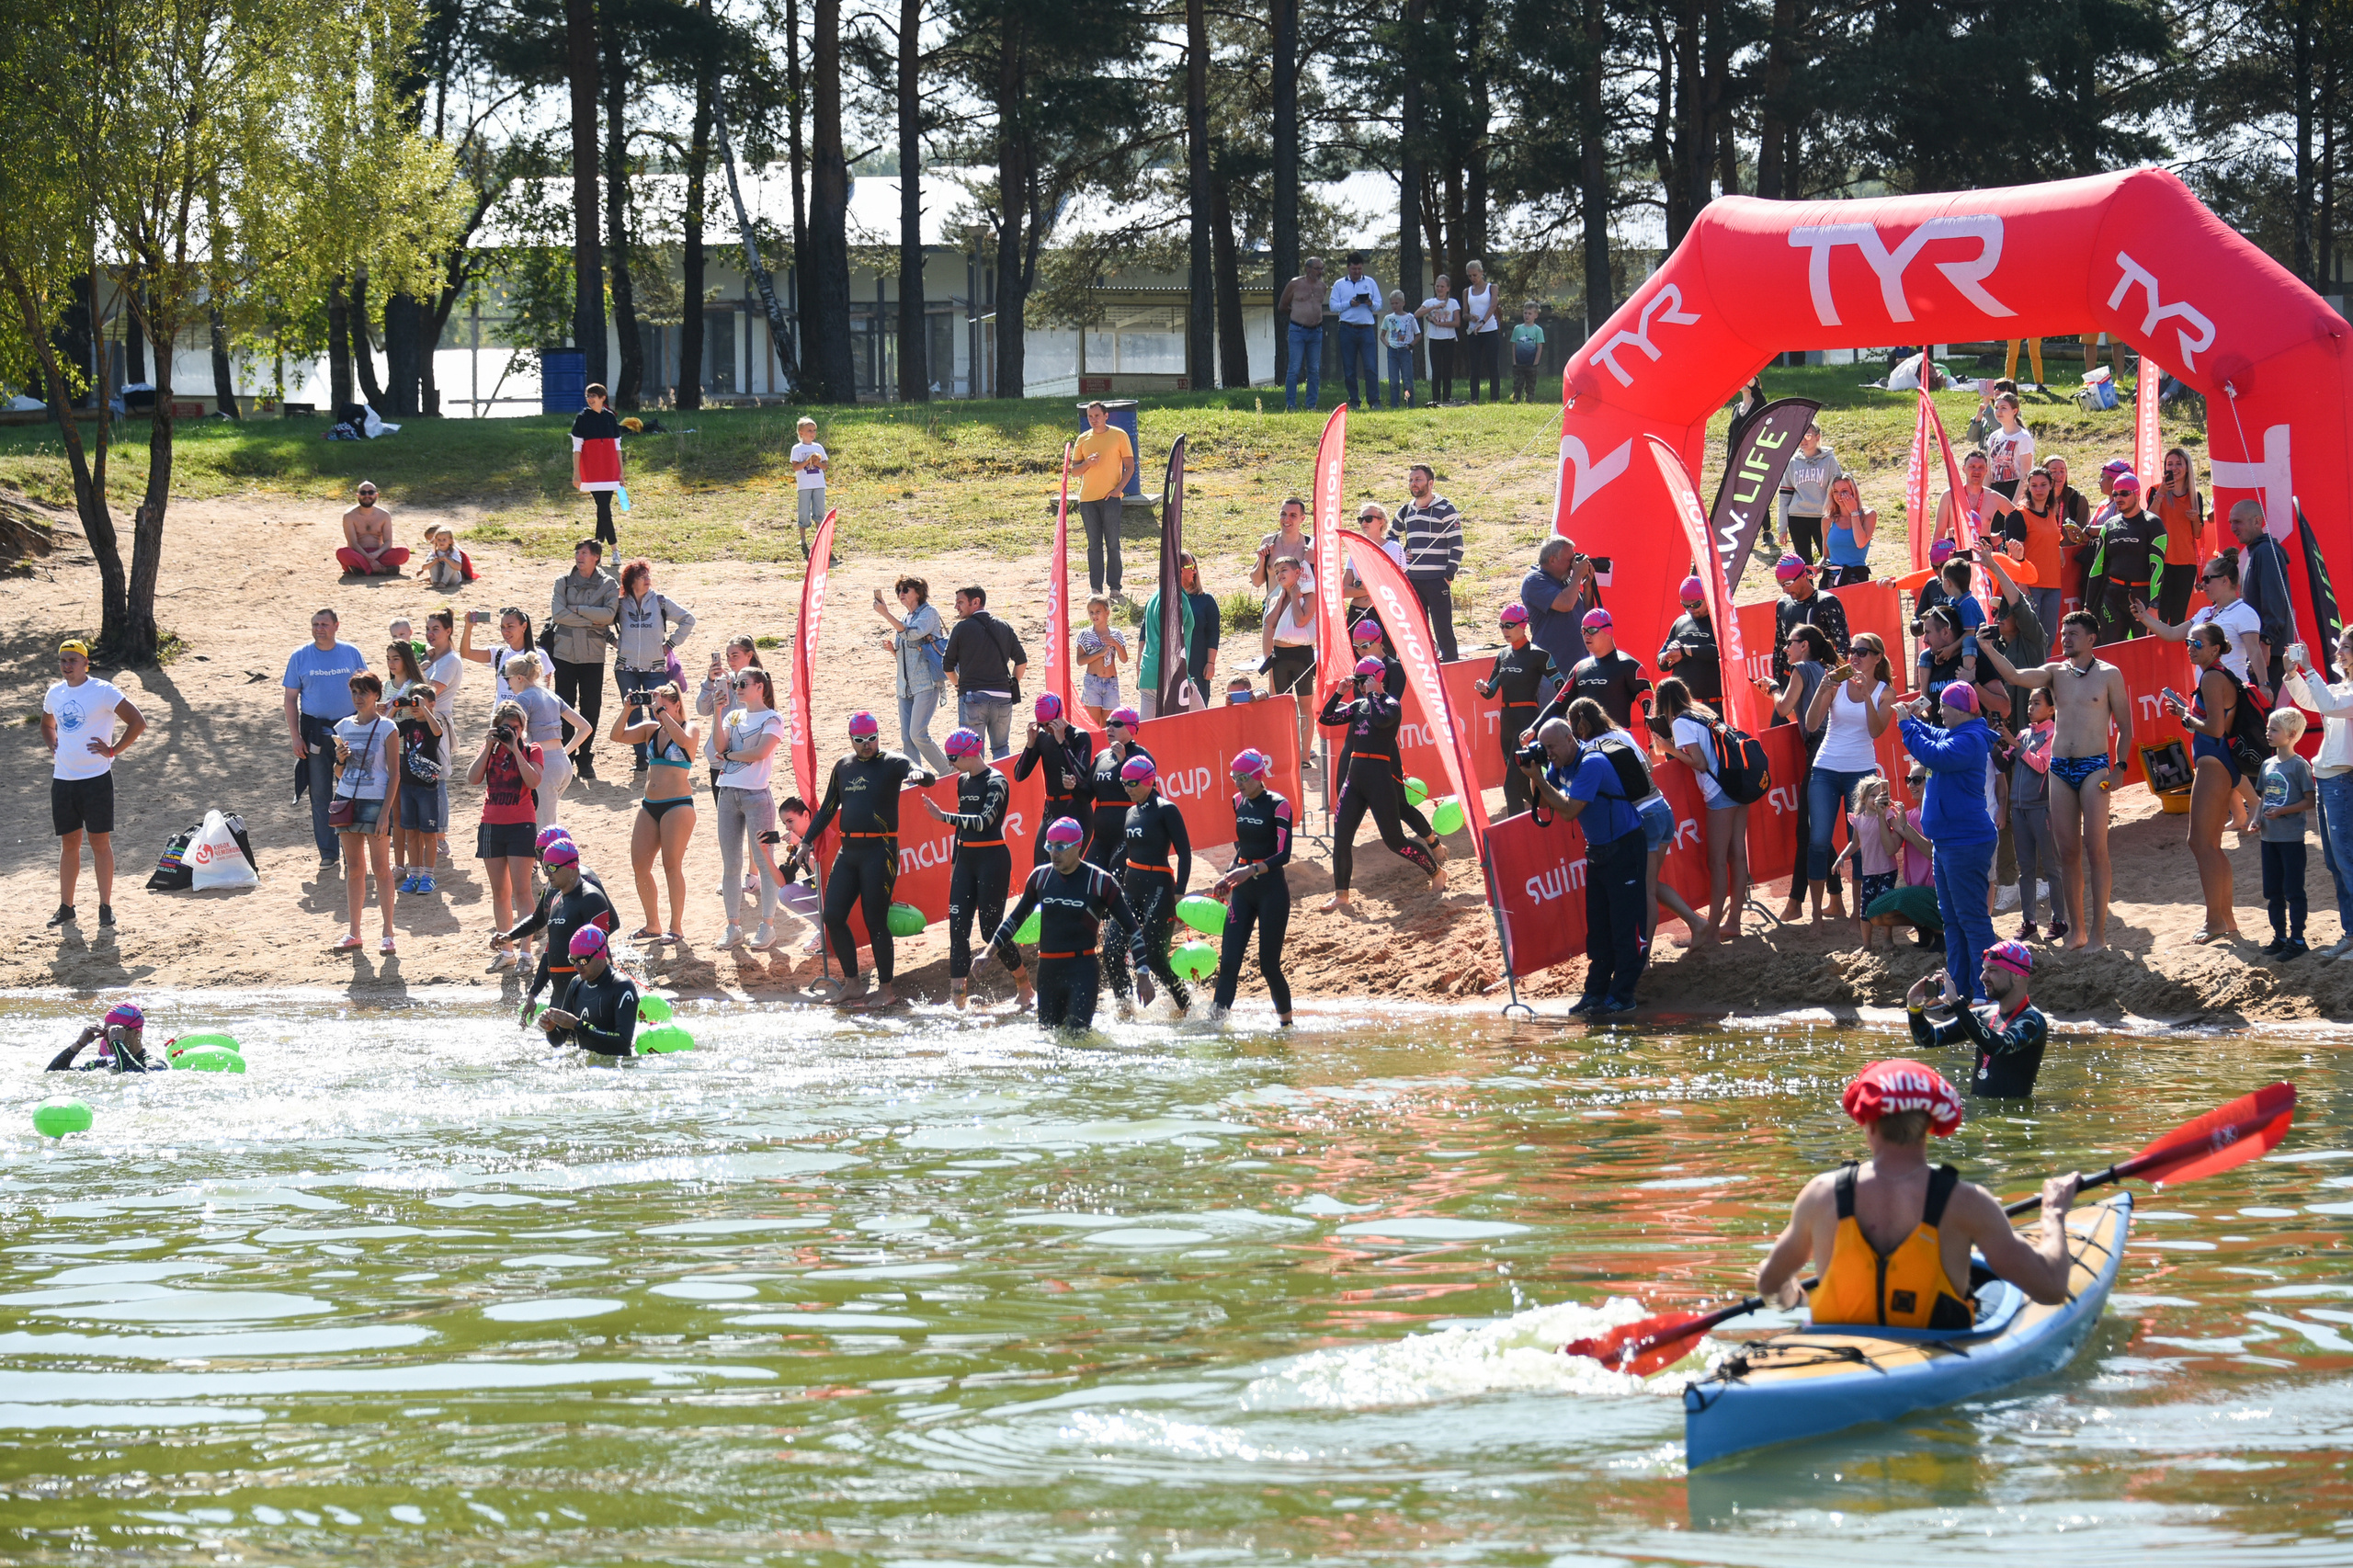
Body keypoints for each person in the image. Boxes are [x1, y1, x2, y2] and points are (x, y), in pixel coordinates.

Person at [1756, 1058, 2080, 1330]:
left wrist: (1795, 1301)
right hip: (1937, 1352)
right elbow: (2050, 1289)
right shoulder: (1968, 1202)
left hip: (1835, 1352)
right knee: (1993, 1290)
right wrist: (2053, 1212)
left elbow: (1770, 1285)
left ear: (1867, 1123)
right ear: (1930, 1124)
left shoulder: (1821, 1194)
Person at [1979, 612, 2131, 950]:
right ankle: (2077, 931)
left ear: (2091, 638)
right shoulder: (2054, 672)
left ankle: (2098, 934)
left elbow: (2125, 725)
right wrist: (1988, 649)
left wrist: (2120, 767)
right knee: (2067, 853)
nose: (2065, 638)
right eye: (2063, 632)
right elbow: (2016, 676)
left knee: (2096, 848)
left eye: (2073, 633)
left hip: (2094, 766)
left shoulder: (2109, 674)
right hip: (2060, 767)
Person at [802, 711, 937, 1006]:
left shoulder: (893, 762)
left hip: (880, 850)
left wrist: (918, 775)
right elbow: (827, 808)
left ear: (879, 735)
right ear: (851, 739)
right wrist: (805, 842)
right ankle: (853, 983)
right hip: (848, 852)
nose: (867, 745)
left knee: (874, 919)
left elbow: (928, 777)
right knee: (833, 915)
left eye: (872, 739)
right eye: (860, 740)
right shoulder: (843, 766)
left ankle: (886, 989)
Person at [1525, 706, 1647, 1015]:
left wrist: (1539, 778)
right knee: (1599, 928)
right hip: (1599, 851)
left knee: (1624, 926)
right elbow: (1541, 801)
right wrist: (1536, 769)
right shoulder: (1561, 762)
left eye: (1551, 747)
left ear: (1570, 738)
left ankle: (1623, 996)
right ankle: (1595, 993)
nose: (1548, 752)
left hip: (1625, 847)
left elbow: (1567, 811)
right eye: (1545, 747)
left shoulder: (1590, 762)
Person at [982, 817, 1149, 1031]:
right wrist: (988, 952)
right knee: (1049, 1040)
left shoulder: (1100, 882)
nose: (1053, 852)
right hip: (1048, 972)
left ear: (1078, 845)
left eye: (1060, 847)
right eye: (1049, 846)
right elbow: (1015, 919)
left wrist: (1143, 973)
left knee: (1077, 1036)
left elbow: (1132, 929)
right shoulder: (1040, 878)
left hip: (1082, 971)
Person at [1899, 679, 1998, 1001]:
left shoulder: (1969, 740)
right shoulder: (1959, 734)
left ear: (1959, 710)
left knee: (1971, 918)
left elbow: (1933, 753)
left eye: (1943, 706)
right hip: (1947, 843)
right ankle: (1959, 989)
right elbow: (1934, 736)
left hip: (1965, 842)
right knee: (1952, 919)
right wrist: (1913, 720)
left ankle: (1988, 989)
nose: (1939, 711)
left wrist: (1906, 726)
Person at [1317, 656, 1442, 912]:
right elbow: (1327, 719)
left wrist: (1374, 694)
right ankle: (1342, 894)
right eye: (1358, 681)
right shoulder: (1358, 704)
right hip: (1355, 777)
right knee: (1341, 838)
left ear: (1377, 678)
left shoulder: (1391, 705)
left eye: (1364, 681)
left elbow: (1381, 721)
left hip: (1379, 778)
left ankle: (1436, 871)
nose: (1360, 686)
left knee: (1395, 841)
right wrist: (1338, 694)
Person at [923, 727, 1033, 1011]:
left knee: (989, 929)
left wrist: (942, 816)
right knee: (957, 931)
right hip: (966, 861)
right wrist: (954, 862)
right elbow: (962, 830)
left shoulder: (997, 781)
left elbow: (984, 821)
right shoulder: (962, 781)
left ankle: (1024, 986)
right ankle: (957, 1001)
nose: (950, 763)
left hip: (992, 860)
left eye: (953, 757)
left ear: (970, 754)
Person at [43, 639, 144, 930]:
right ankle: (66, 907)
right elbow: (46, 724)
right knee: (69, 844)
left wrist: (113, 750)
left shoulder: (102, 691)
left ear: (86, 663)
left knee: (99, 843)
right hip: (63, 780)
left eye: (73, 660)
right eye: (63, 661)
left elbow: (137, 721)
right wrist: (53, 745)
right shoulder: (55, 693)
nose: (67, 666)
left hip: (96, 780)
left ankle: (105, 907)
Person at [2163, 623, 2254, 944]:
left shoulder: (2213, 677)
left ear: (2215, 649)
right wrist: (2186, 713)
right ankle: (2224, 918)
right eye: (2189, 642)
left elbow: (2214, 729)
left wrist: (2187, 719)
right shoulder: (2218, 675)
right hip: (2219, 763)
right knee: (2210, 845)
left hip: (2214, 764)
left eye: (2197, 642)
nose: (2190, 646)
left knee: (2201, 843)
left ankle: (2217, 920)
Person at [1798, 631, 1893, 919]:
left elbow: (1876, 731)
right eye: (1852, 650)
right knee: (1818, 840)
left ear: (1877, 658)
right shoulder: (1837, 683)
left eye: (1862, 652)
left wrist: (1866, 696)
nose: (1854, 656)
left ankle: (1858, 914)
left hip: (1861, 771)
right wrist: (1822, 689)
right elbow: (1812, 724)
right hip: (1826, 767)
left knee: (1862, 842)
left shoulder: (1884, 691)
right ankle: (1816, 914)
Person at [1654, 676, 1749, 944]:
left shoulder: (1682, 722)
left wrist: (1669, 748)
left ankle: (1712, 930)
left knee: (1717, 861)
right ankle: (1732, 922)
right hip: (1739, 784)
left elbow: (1700, 763)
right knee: (1738, 856)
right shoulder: (1703, 711)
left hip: (1720, 792)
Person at [1755, 622, 1841, 921]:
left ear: (1804, 645)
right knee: (1817, 828)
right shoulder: (1820, 669)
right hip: (1827, 748)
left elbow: (1783, 709)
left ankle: (1794, 903)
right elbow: (1802, 712)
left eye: (1790, 642)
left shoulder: (1802, 670)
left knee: (1806, 830)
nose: (1785, 648)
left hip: (1819, 751)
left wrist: (1775, 691)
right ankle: (1837, 900)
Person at [1209, 748, 1295, 1025]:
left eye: (1244, 777)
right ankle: (1215, 1027)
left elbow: (1284, 854)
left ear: (1259, 775)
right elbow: (1243, 848)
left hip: (1271, 891)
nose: (1239, 783)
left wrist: (1252, 869)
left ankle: (1286, 1027)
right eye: (1235, 777)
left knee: (1269, 965)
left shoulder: (1278, 804)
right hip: (1244, 892)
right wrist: (1230, 874)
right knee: (1229, 963)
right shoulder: (1237, 801)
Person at [609, 681, 698, 943]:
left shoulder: (688, 727)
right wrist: (627, 709)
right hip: (650, 805)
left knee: (672, 866)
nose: (658, 710)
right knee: (639, 865)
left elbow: (684, 742)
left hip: (678, 804)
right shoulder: (651, 729)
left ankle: (676, 927)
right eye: (655, 705)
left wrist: (663, 714)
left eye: (664, 705)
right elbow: (617, 735)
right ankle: (652, 924)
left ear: (676, 705)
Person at [283, 608, 370, 873]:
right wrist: (296, 737)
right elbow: (290, 700)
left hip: (350, 730)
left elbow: (367, 690)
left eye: (324, 624)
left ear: (336, 626)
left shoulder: (351, 652)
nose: (319, 628)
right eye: (315, 624)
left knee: (352, 793)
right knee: (320, 794)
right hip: (315, 733)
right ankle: (328, 853)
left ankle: (352, 853)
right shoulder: (300, 656)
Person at [1906, 940, 2051, 1097]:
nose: (1982, 977)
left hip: (2013, 1118)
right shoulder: (1983, 1015)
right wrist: (1914, 1009)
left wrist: (1957, 1004)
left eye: (1992, 970)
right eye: (1984, 970)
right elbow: (1926, 1039)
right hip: (1980, 1117)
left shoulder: (2033, 1021)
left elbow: (1996, 1046)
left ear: (2016, 974)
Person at [2286, 632, 2353, 960]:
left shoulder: (2347, 693)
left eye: (2345, 647)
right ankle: (2350, 934)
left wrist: (2308, 668)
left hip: (2342, 781)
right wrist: (2291, 673)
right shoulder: (2341, 687)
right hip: (2328, 780)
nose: (2338, 652)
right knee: (2336, 862)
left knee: (2347, 860)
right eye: (2339, 645)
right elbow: (2312, 702)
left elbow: (2328, 705)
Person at [711, 665, 788, 950]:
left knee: (765, 863)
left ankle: (767, 925)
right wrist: (718, 714)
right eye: (736, 683)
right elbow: (717, 745)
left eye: (743, 683)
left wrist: (729, 754)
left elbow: (760, 753)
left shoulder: (773, 718)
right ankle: (733, 926)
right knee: (731, 865)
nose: (738, 688)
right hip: (728, 793)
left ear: (760, 687)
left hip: (757, 795)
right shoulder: (734, 715)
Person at [1112, 754, 1195, 1015]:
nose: (1126, 787)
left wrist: (1180, 892)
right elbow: (1125, 851)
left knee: (1156, 959)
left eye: (1132, 783)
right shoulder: (1129, 812)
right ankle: (1125, 1011)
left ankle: (1187, 1007)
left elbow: (1185, 853)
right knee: (1112, 951)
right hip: (1130, 888)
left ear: (1149, 781)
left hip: (1159, 888)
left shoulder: (1166, 809)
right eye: (1123, 782)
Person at [467, 699, 545, 972]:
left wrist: (515, 749)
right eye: (504, 727)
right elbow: (472, 778)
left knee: (523, 890)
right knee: (500, 892)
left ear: (522, 728)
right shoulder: (490, 750)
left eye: (514, 727)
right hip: (491, 824)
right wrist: (490, 745)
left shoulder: (532, 749)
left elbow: (534, 781)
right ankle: (506, 951)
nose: (509, 731)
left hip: (521, 824)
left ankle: (526, 954)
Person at [504, 837, 618, 1023]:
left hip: (586, 996)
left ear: (573, 865)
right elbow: (552, 950)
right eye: (545, 867)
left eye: (553, 867)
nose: (548, 873)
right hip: (559, 997)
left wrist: (604, 998)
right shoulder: (556, 900)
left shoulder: (591, 898)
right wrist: (533, 993)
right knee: (555, 1048)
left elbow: (601, 954)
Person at [330, 671, 401, 955]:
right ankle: (354, 932)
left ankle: (388, 933)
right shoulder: (343, 726)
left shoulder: (387, 728)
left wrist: (385, 813)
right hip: (347, 799)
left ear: (376, 695)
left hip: (375, 802)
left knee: (381, 868)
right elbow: (339, 773)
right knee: (355, 869)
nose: (358, 698)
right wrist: (340, 760)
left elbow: (394, 774)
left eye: (364, 692)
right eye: (355, 693)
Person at [612, 560, 695, 771]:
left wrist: (670, 644)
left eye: (648, 575)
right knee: (632, 711)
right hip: (626, 667)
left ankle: (665, 754)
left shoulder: (660, 602)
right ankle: (642, 760)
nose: (647, 579)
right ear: (631, 581)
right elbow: (599, 623)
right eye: (642, 576)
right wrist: (614, 642)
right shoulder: (619, 603)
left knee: (659, 711)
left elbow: (688, 619)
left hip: (655, 667)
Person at [549, 539, 620, 780]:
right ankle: (565, 756)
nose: (579, 556)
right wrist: (592, 620)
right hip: (564, 654)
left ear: (597, 557)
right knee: (564, 706)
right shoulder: (563, 581)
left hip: (593, 654)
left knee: (591, 706)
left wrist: (576, 610)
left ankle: (585, 756)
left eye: (584, 553)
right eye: (577, 552)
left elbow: (609, 615)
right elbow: (557, 614)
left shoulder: (609, 584)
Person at [2133, 551, 2263, 682]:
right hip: (2205, 691)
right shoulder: (2205, 612)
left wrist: (2264, 684)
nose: (2202, 585)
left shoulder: (2244, 612)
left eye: (2207, 580)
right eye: (2202, 580)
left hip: (2234, 688)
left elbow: (2254, 651)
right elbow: (2172, 633)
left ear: (2225, 580)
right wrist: (2143, 616)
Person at [1478, 604, 1557, 817]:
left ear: (1523, 625)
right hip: (1507, 725)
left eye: (1509, 625)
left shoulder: (1539, 655)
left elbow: (1563, 687)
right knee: (1521, 787)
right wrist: (1483, 688)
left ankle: (1517, 841)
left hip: (1526, 725)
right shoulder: (1503, 654)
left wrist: (1552, 716)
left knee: (1510, 788)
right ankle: (1554, 812)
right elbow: (1490, 691)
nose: (1504, 630)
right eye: (1501, 625)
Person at [383, 641, 447, 896]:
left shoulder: (432, 725)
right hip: (408, 783)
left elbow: (437, 731)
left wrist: (423, 708)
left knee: (429, 833)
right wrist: (393, 707)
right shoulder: (407, 726)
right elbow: (387, 729)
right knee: (411, 831)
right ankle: (415, 873)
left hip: (427, 786)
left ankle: (429, 876)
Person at [503, 651, 590, 832]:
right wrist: (564, 753)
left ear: (519, 678)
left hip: (543, 765)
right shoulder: (551, 695)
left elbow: (520, 734)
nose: (508, 684)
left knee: (542, 827)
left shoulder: (522, 699)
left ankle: (547, 859)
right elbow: (585, 728)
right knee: (545, 820)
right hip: (562, 764)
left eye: (508, 679)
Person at [874, 575, 949, 772]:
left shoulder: (929, 613)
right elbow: (904, 649)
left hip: (927, 683)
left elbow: (912, 633)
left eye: (906, 589)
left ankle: (947, 770)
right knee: (907, 737)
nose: (901, 593)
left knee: (918, 734)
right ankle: (915, 777)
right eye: (899, 590)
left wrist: (886, 614)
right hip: (905, 686)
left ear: (919, 592)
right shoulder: (905, 618)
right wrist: (894, 651)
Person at [941, 585, 1027, 756]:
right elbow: (1021, 661)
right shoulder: (1004, 626)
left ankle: (979, 784)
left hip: (973, 697)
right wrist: (1013, 682)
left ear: (976, 602)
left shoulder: (961, 628)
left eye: (960, 602)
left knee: (972, 751)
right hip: (1002, 697)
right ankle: (1002, 782)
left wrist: (959, 685)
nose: (956, 607)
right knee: (1001, 748)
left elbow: (947, 666)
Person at [1389, 464, 1463, 661]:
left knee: (1443, 631)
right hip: (1412, 581)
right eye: (1411, 479)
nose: (1414, 483)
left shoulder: (1446, 508)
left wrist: (1448, 575)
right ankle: (1423, 667)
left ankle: (1451, 667)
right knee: (1416, 629)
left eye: (1418, 479)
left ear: (1431, 483)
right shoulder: (1405, 511)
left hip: (1438, 580)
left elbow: (1457, 544)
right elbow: (1391, 538)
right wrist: (1403, 552)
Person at [2258, 706, 2314, 959]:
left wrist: (2282, 812)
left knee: (2293, 890)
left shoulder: (2298, 765)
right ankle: (2280, 936)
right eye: (2268, 727)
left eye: (2274, 729)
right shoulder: (2268, 764)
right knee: (2272, 891)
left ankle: (2298, 939)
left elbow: (2309, 801)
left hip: (2291, 838)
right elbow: (2263, 797)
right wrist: (2256, 820)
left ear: (2291, 734)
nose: (2268, 732)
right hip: (2268, 837)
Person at [1539, 608, 1650, 733]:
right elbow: (1559, 705)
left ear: (1608, 631)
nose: (1587, 635)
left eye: (1592, 630)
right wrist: (1533, 729)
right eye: (1583, 631)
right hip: (1584, 744)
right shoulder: (1579, 668)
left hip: (1616, 744)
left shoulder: (1629, 666)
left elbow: (1650, 709)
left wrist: (1652, 746)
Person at [534, 925, 640, 1057]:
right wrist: (550, 1029)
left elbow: (623, 1043)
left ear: (601, 953)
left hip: (617, 1070)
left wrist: (577, 1025)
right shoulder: (576, 984)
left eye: (583, 960)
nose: (577, 966)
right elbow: (558, 1041)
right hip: (588, 1068)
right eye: (572, 960)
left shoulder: (621, 986)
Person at [1017, 693, 1096, 867]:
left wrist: (1062, 741)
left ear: (1060, 715)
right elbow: (1019, 775)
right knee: (1041, 870)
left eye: (1049, 724)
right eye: (1042, 725)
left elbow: (1082, 776)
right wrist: (1030, 744)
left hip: (1076, 811)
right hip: (1051, 812)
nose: (1046, 729)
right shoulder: (1042, 738)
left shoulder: (1079, 736)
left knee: (1069, 869)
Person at [2230, 499, 2298, 695]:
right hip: (2261, 648)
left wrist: (2266, 641)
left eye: (2238, 521)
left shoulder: (2265, 552)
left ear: (2257, 521)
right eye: (2231, 522)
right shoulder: (2257, 552)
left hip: (2267, 650)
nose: (2233, 528)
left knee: (2260, 712)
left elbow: (2274, 600)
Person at [2090, 470, 2164, 643]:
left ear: (2137, 494)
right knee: (2110, 650)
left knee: (2143, 652)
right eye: (2115, 494)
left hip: (2142, 597)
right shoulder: (2109, 525)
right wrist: (2088, 606)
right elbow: (2096, 569)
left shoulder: (2153, 523)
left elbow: (2158, 567)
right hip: (2112, 596)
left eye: (2124, 493)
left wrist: (2154, 605)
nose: (2119, 498)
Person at [2006, 687, 2056, 940]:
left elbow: (2041, 765)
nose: (2030, 708)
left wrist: (2015, 744)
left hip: (2040, 806)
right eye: (2029, 703)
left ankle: (2058, 920)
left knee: (2050, 865)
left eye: (2037, 703)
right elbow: (2003, 761)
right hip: (2018, 807)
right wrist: (1996, 742)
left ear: (2052, 708)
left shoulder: (2052, 732)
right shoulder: (2024, 732)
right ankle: (2029, 922)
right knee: (2025, 868)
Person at [1072, 401, 1135, 597]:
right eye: (1090, 417)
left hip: (1111, 498)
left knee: (1113, 544)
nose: (1094, 420)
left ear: (1106, 416)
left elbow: (1130, 466)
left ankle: (1115, 587)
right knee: (1094, 545)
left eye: (1097, 416)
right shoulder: (1083, 439)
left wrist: (1118, 490)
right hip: (1088, 499)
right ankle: (1095, 588)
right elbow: (1074, 471)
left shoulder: (1119, 435)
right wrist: (1088, 464)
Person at [1837, 774, 1904, 951]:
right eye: (1873, 796)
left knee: (1885, 906)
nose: (1876, 799)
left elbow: (1899, 829)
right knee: (1865, 909)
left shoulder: (1887, 814)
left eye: (1879, 795)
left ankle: (1887, 939)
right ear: (1863, 797)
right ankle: (1866, 944)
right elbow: (1854, 842)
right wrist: (1842, 856)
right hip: (1868, 872)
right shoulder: (1858, 820)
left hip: (1888, 870)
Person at [1261, 556, 1318, 757]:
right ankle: (1287, 750)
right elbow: (1269, 623)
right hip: (1281, 656)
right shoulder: (1278, 596)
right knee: (1283, 704)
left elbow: (1301, 620)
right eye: (1276, 572)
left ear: (1298, 573)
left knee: (1305, 705)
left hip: (1302, 655)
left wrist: (1295, 596)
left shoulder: (1309, 594)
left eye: (1284, 570)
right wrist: (1283, 597)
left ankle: (1304, 754)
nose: (1279, 575)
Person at [2002, 466, 2070, 634]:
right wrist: (2022, 584)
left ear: (2051, 486)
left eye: (2043, 485)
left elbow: (2052, 539)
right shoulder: (2019, 515)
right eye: (2034, 485)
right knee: (2029, 635)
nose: (2039, 489)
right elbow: (2014, 553)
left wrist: (2058, 548)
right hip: (2030, 586)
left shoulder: (2050, 513)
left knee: (2049, 636)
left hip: (2053, 584)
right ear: (2028, 487)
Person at [1085, 706, 1151, 873]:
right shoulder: (1102, 756)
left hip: (1126, 835)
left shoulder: (1141, 756)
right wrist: (1072, 786)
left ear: (1131, 728)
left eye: (1117, 724)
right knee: (1089, 880)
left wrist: (1124, 761)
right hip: (1100, 838)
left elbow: (1149, 795)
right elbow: (1085, 795)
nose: (1110, 728)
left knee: (1116, 882)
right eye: (1108, 723)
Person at [1521, 540, 1599, 679]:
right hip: (1552, 669)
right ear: (1552, 560)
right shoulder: (1534, 581)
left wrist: (1587, 587)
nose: (1573, 565)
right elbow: (1566, 604)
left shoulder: (1566, 581)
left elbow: (1586, 616)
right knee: (1553, 702)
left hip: (1578, 665)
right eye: (1570, 560)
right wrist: (1576, 575)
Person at [1769, 555, 1850, 684]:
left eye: (1788, 583)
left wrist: (1832, 679)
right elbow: (1779, 647)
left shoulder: (1827, 602)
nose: (1785, 589)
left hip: (1821, 679)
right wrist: (1777, 685)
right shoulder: (1783, 605)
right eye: (1781, 584)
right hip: (1792, 681)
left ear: (1804, 575)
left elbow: (1843, 645)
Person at [697, 634, 762, 793]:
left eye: (735, 655)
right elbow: (703, 711)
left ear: (749, 655)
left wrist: (735, 686)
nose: (730, 661)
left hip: (744, 761)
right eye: (727, 656)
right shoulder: (722, 680)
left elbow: (756, 711)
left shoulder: (760, 680)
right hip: (719, 760)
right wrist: (709, 682)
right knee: (722, 815)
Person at [2152, 447, 2209, 626]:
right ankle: (2158, 653)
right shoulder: (2155, 491)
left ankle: (2177, 653)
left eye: (2178, 464)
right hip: (2161, 560)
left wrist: (2194, 519)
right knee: (2159, 616)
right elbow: (2149, 520)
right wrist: (2160, 493)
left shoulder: (2194, 495)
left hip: (2186, 563)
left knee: (2178, 617)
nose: (2174, 468)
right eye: (2169, 464)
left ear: (2187, 467)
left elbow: (2197, 533)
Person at [1778, 424, 1843, 565]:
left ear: (1817, 437)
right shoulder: (1793, 463)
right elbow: (1784, 497)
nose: (1803, 440)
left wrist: (1839, 516)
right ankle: (1807, 588)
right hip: (1797, 517)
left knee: (1830, 561)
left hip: (1823, 517)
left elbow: (1839, 491)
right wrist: (1782, 528)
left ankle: (1831, 587)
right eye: (1800, 436)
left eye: (1808, 435)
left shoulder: (1829, 461)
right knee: (1804, 563)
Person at [572, 382, 625, 549]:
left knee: (603, 509)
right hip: (592, 470)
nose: (590, 399)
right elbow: (577, 449)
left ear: (603, 398)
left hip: (610, 470)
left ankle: (597, 550)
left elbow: (617, 447)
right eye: (588, 396)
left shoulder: (610, 417)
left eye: (593, 396)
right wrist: (576, 473)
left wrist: (621, 472)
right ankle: (615, 549)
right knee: (604, 508)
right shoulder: (582, 419)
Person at [1136, 573, 1195, 720]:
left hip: (1148, 673)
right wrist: (1182, 677)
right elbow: (1173, 641)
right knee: (1206, 728)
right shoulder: (1179, 599)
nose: (1193, 571)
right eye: (1189, 567)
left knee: (1146, 735)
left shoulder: (1154, 597)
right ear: (1179, 571)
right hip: (1171, 675)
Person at [1329, 251, 1384, 409]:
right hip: (1347, 329)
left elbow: (1379, 304)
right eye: (1354, 269)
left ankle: (1374, 400)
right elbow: (1333, 307)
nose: (1357, 272)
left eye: (1360, 269)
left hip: (1366, 329)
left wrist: (1369, 303)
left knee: (1370, 366)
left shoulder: (1370, 282)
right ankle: (1354, 400)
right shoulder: (1339, 284)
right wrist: (1349, 304)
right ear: (1348, 268)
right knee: (1349, 368)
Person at [1655, 575, 1722, 705]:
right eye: (1685, 605)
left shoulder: (1719, 621)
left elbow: (1722, 652)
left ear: (1707, 598)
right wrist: (1668, 655)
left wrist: (1685, 651)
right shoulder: (1681, 622)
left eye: (1695, 604)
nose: (1691, 609)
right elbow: (1661, 662)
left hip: (1713, 703)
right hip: (1683, 705)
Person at [47, 1003, 165, 1073]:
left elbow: (134, 1076)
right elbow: (54, 1073)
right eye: (106, 1032)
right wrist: (78, 1045)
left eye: (116, 1032)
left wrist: (117, 1042)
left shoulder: (154, 1063)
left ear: (136, 1033)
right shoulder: (105, 1063)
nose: (109, 1038)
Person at [1276, 256, 1328, 412]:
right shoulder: (1295, 284)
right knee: (1294, 368)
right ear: (1308, 269)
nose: (1320, 272)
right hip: (1298, 331)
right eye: (1317, 268)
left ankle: (1311, 405)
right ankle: (1291, 404)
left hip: (1316, 331)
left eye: (1321, 269)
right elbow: (1282, 306)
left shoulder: (1322, 287)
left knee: (1314, 369)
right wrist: (1298, 314)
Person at [461, 606, 538, 703]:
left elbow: (543, 693)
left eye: (510, 626)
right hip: (501, 716)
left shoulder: (538, 656)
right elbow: (466, 653)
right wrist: (468, 626)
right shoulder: (499, 653)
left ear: (524, 626)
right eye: (502, 627)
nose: (506, 632)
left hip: (527, 715)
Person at [1075, 592, 1131, 723]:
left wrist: (1115, 644)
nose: (1094, 615)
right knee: (1093, 724)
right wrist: (1098, 654)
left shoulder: (1116, 634)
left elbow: (1124, 659)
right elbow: (1080, 661)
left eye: (1098, 611)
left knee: (1109, 724)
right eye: (1091, 612)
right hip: (1092, 682)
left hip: (1111, 683)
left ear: (1107, 612)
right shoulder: (1085, 634)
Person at [1250, 497, 1316, 600]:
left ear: (1302, 519)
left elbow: (1324, 584)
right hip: (1272, 610)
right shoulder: (1269, 542)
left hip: (1299, 612)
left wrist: (1315, 562)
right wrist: (1262, 560)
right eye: (1283, 514)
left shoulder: (1311, 545)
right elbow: (1256, 582)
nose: (1286, 519)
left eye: (1293, 515)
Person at [336, 481, 408, 575]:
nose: (367, 495)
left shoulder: (384, 515)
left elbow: (388, 542)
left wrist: (376, 555)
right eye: (363, 493)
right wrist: (367, 558)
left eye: (370, 492)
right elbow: (353, 543)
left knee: (404, 552)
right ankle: (381, 569)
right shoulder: (349, 515)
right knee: (342, 553)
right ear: (358, 495)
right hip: (359, 554)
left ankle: (362, 569)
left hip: (379, 554)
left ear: (376, 495)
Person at [1180, 552, 1221, 710]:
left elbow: (1213, 634)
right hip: (1173, 664)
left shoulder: (1206, 600)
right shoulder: (1164, 600)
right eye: (1191, 567)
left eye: (1195, 567)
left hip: (1198, 662)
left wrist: (1211, 663)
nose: (1195, 571)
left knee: (1199, 709)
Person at [1460, 258, 1502, 404]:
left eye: (1475, 275)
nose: (1473, 279)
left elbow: (1493, 306)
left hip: (1490, 330)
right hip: (1474, 333)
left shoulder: (1492, 287)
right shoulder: (1467, 292)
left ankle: (1495, 399)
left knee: (1492, 366)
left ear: (1482, 273)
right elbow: (1464, 313)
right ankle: (1474, 399)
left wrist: (1483, 322)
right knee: (1474, 367)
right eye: (1470, 276)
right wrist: (1470, 317)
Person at [1820, 474, 1875, 587]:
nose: (1839, 495)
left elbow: (1860, 543)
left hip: (1857, 579)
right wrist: (1816, 568)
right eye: (1835, 491)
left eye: (1844, 491)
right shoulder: (1827, 520)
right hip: (1831, 580)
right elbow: (1826, 556)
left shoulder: (1868, 515)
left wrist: (1854, 512)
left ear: (1853, 492)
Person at [1417, 274, 1463, 404]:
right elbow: (1416, 314)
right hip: (1434, 339)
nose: (1439, 289)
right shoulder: (1429, 302)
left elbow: (1457, 322)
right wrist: (1433, 308)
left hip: (1448, 339)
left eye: (1442, 286)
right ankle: (1436, 400)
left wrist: (1439, 324)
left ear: (1448, 288)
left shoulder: (1453, 303)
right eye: (1437, 286)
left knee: (1447, 371)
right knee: (1436, 371)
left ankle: (1447, 399)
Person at [1982, 392, 2036, 500]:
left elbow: (2025, 476)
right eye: (1996, 408)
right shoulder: (1993, 437)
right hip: (1995, 490)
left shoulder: (2023, 437)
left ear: (2014, 411)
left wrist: (2014, 505)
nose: (1999, 411)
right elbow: (1989, 475)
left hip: (2015, 490)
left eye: (2003, 408)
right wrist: (1982, 498)